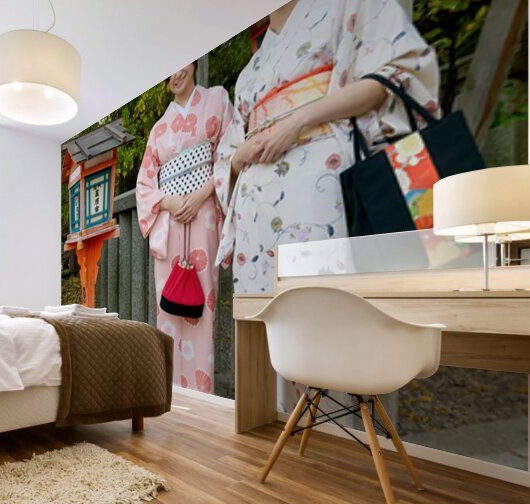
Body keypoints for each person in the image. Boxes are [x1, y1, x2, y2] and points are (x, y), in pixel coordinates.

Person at [214, 0, 440, 293]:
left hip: (321, 189)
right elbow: (230, 149)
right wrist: (236, 158)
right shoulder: (250, 70)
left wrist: (301, 119)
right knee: (269, 323)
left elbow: (398, 70)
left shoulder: (346, 5)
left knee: (328, 305)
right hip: (254, 216)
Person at [136, 61, 237, 393]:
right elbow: (145, 185)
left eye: (180, 66)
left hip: (204, 211)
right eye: (167, 72)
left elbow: (230, 153)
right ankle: (167, 391)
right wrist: (168, 202)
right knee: (168, 307)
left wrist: (201, 194)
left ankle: (200, 394)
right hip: (169, 220)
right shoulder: (159, 129)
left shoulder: (217, 100)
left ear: (193, 63)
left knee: (201, 303)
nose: (175, 75)